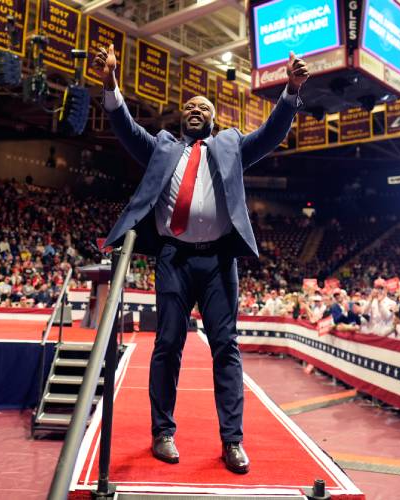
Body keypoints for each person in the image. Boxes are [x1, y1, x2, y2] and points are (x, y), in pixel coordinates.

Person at [93, 44, 308, 473]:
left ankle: (232, 441)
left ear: (213, 118)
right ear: (181, 117)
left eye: (203, 106)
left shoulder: (230, 145)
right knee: (167, 344)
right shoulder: (162, 148)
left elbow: (269, 135)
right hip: (173, 258)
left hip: (218, 263)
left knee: (226, 347)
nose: (195, 109)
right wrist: (110, 82)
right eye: (189, 106)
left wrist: (291, 91)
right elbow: (126, 127)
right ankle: (163, 433)